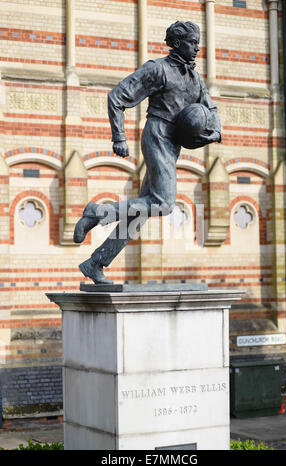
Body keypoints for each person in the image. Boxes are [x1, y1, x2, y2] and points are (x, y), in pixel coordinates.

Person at [74, 20, 221, 284]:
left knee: (140, 212)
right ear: (177, 44)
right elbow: (117, 97)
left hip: (173, 143)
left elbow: (209, 109)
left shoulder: (194, 77)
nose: (198, 48)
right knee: (163, 203)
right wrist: (119, 136)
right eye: (193, 42)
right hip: (157, 135)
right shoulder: (158, 69)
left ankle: (95, 263)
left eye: (198, 42)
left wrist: (214, 131)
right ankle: (97, 212)